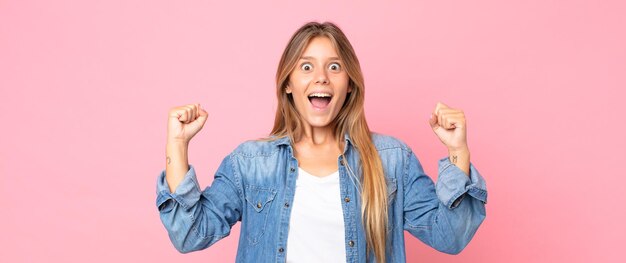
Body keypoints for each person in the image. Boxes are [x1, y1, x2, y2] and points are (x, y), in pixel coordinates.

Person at [156, 21, 487, 263]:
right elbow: (190, 235)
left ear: (349, 85)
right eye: (305, 66)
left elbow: (451, 235)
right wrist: (177, 145)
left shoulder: (391, 160)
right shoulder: (251, 164)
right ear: (288, 83)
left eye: (334, 66)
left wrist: (458, 151)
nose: (321, 78)